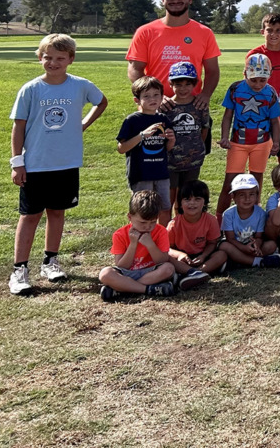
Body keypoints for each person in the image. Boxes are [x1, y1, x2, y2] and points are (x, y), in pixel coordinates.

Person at [9, 34, 107, 296]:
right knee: (30, 216)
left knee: (57, 212)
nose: (53, 62)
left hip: (66, 163)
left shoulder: (80, 85)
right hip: (36, 164)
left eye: (59, 58)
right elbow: (18, 127)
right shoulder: (31, 89)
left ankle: (50, 262)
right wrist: (17, 162)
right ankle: (19, 270)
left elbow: (101, 101)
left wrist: (84, 123)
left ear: (70, 60)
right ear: (40, 57)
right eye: (47, 57)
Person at [126, 0, 220, 107]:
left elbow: (212, 70)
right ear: (163, 0)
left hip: (191, 105)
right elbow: (135, 69)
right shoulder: (145, 32)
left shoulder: (205, 32)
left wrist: (205, 94)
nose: (175, 0)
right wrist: (154, 96)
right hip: (154, 106)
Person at [216, 53, 280, 215]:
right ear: (244, 74)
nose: (258, 84)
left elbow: (276, 120)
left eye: (263, 80)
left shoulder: (271, 92)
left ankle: (254, 218)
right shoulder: (235, 89)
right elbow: (227, 116)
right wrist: (224, 137)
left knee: (256, 181)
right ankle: (220, 220)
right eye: (253, 79)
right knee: (230, 183)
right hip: (238, 143)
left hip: (262, 143)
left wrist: (276, 142)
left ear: (269, 76)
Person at [116, 76, 175, 226]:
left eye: (156, 95)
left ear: (162, 97)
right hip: (141, 174)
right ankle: (141, 238)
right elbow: (121, 148)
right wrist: (142, 135)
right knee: (143, 210)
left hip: (161, 172)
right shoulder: (132, 121)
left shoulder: (163, 119)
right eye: (146, 96)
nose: (152, 99)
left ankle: (162, 239)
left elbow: (166, 148)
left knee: (164, 208)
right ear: (137, 100)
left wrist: (171, 140)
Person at [99, 190, 177, 302]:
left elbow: (162, 261)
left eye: (153, 222)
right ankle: (147, 289)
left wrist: (150, 244)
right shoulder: (120, 234)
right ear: (129, 217)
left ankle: (122, 289)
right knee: (105, 274)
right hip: (127, 273)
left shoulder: (161, 231)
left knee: (169, 268)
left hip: (150, 272)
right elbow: (121, 266)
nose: (148, 227)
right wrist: (133, 244)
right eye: (143, 223)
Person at [247, 12, 280, 163]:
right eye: (269, 30)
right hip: (260, 110)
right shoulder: (254, 54)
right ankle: (255, 186)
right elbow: (248, 83)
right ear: (263, 32)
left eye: (278, 30)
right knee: (258, 157)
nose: (274, 34)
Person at [166, 180, 227, 289]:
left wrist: (203, 256)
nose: (192, 203)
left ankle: (196, 273)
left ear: (205, 202)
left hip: (202, 255)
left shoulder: (211, 220)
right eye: (187, 199)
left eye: (197, 199)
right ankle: (196, 272)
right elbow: (168, 248)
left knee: (222, 254)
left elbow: (213, 243)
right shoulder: (173, 224)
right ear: (180, 203)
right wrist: (180, 255)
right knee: (166, 258)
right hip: (183, 259)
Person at [165, 62, 209, 208]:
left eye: (187, 84)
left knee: (185, 197)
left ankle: (181, 226)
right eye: (178, 84)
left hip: (193, 160)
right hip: (171, 161)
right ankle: (167, 229)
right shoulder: (166, 107)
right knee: (168, 198)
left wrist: (197, 146)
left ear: (194, 84)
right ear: (171, 85)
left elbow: (204, 129)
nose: (183, 88)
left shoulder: (200, 106)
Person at [220, 174, 280, 268]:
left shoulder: (261, 213)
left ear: (257, 195)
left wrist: (256, 245)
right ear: (233, 196)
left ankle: (238, 261)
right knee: (224, 246)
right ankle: (259, 262)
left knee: (271, 245)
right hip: (237, 246)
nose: (247, 199)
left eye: (251, 194)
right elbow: (230, 239)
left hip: (252, 247)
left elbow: (259, 236)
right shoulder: (228, 214)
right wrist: (244, 248)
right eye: (242, 195)